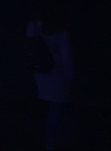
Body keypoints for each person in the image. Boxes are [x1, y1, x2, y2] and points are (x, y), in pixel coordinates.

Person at [26, 13, 74, 150]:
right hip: (57, 74)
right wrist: (70, 77)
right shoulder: (61, 31)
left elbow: (31, 48)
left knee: (47, 110)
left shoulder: (33, 26)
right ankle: (52, 144)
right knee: (55, 111)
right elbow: (67, 57)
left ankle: (46, 142)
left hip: (40, 71)